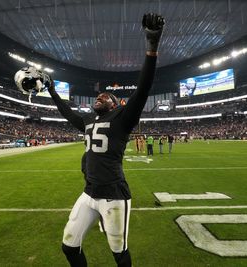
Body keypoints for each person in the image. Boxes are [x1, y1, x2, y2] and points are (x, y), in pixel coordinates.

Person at [48, 13, 164, 267]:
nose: (99, 97)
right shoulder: (88, 122)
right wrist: (52, 91)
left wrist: (152, 47)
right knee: (69, 246)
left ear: (114, 104)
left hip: (113, 194)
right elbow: (68, 114)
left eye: (105, 96)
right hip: (89, 193)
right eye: (97, 96)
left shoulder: (122, 118)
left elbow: (143, 89)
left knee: (119, 253)